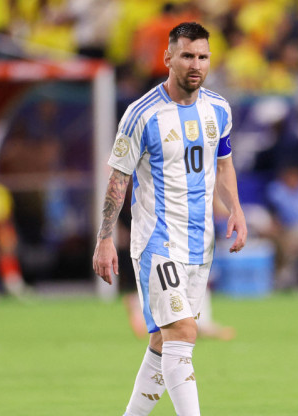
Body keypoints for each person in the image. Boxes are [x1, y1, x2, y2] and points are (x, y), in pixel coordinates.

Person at [92, 22, 247, 416]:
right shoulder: (141, 115)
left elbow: (224, 165)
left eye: (203, 56)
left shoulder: (218, 109)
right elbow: (118, 179)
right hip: (157, 242)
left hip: (201, 244)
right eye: (187, 56)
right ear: (167, 58)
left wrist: (237, 210)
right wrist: (105, 238)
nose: (196, 64)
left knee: (165, 342)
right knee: (183, 331)